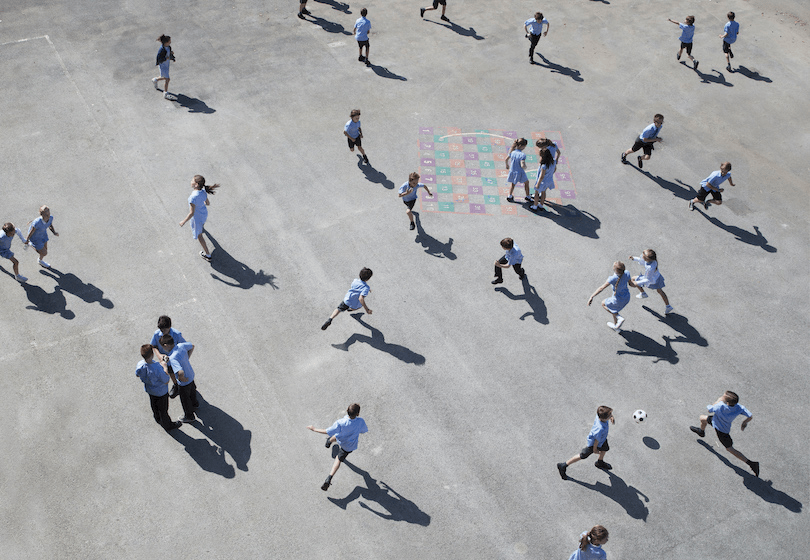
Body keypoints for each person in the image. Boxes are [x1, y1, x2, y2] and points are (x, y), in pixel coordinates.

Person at [691, 391, 759, 476]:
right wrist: (744, 423)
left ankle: (751, 463)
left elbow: (710, 410)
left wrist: (718, 400)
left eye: (723, 396)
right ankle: (701, 432)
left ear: (727, 402)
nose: (722, 397)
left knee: (730, 449)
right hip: (716, 421)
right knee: (702, 418)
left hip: (721, 430)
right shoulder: (739, 407)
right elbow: (750, 416)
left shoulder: (720, 406)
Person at [306, 403, 368, 491]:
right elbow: (364, 430)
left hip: (341, 439)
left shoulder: (341, 422)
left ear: (347, 411)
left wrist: (314, 429)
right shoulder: (361, 421)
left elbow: (327, 431)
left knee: (337, 436)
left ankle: (329, 441)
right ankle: (329, 478)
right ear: (358, 414)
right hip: (349, 446)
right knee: (339, 458)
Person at [557, 406, 615, 480]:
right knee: (583, 455)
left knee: (605, 449)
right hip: (593, 444)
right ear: (604, 418)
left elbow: (607, 416)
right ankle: (563, 465)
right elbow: (596, 440)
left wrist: (611, 417)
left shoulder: (600, 417)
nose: (611, 416)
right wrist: (594, 449)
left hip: (602, 440)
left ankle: (600, 462)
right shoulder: (600, 429)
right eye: (610, 415)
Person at [136, 344, 182, 431]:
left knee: (154, 404)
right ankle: (167, 424)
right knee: (163, 409)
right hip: (161, 392)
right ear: (152, 354)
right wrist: (164, 367)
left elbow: (137, 374)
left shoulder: (140, 365)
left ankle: (157, 417)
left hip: (150, 390)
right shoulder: (158, 368)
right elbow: (166, 380)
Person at [587, 261, 638, 331]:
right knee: (613, 308)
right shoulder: (627, 273)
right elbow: (631, 284)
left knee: (603, 303)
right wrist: (640, 284)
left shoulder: (612, 278)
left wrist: (591, 296)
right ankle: (616, 326)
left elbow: (601, 288)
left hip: (618, 300)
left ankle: (619, 317)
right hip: (627, 297)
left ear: (614, 269)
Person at [179, 175, 220, 261]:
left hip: (197, 218)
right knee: (202, 225)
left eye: (192, 180)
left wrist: (183, 221)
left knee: (199, 236)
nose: (190, 181)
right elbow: (207, 203)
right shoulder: (203, 192)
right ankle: (202, 228)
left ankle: (208, 255)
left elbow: (191, 213)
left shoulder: (192, 198)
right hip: (204, 214)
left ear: (196, 184)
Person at [161, 334, 199, 423]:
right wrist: (186, 358)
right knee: (192, 391)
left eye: (163, 347)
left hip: (184, 382)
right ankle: (195, 404)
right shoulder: (181, 346)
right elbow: (192, 346)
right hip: (190, 374)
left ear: (166, 345)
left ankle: (189, 416)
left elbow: (180, 372)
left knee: (185, 399)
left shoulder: (173, 357)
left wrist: (181, 379)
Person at [629, 249, 673, 314]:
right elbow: (642, 261)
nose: (642, 256)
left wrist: (636, 283)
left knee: (633, 279)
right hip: (657, 278)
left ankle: (643, 293)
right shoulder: (652, 261)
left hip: (652, 281)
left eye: (643, 256)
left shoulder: (650, 268)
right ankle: (668, 306)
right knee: (660, 291)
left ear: (647, 259)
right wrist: (634, 258)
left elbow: (647, 279)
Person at [25, 205, 58, 269]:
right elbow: (31, 231)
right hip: (35, 238)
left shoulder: (50, 218)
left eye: (48, 211)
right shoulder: (37, 222)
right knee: (44, 253)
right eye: (45, 212)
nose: (47, 213)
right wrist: (27, 239)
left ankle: (40, 260)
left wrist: (54, 232)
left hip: (43, 235)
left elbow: (50, 225)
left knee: (45, 249)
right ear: (41, 214)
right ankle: (31, 244)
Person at [505, 138, 530, 203]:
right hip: (520, 172)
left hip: (513, 171)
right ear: (521, 146)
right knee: (526, 183)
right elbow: (522, 165)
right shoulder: (522, 155)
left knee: (513, 184)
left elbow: (506, 159)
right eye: (524, 146)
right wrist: (525, 166)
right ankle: (528, 196)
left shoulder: (512, 152)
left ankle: (509, 195)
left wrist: (507, 165)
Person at [152, 35, 175, 100]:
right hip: (162, 65)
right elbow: (159, 58)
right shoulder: (161, 49)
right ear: (165, 42)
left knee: (164, 77)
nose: (170, 42)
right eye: (169, 42)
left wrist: (171, 54)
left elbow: (168, 52)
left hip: (166, 64)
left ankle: (155, 80)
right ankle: (165, 93)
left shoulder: (168, 47)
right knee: (167, 79)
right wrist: (165, 58)